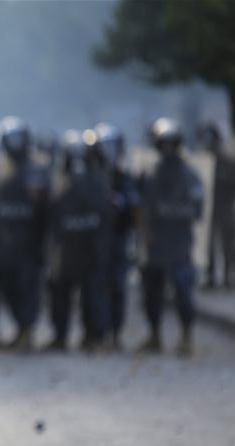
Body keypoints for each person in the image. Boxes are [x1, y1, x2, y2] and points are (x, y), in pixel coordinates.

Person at [138, 118, 203, 356]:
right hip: (156, 244)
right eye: (163, 144)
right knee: (152, 294)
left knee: (183, 292)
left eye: (171, 144)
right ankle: (154, 335)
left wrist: (173, 211)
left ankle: (186, 336)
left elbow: (198, 209)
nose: (167, 149)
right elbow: (143, 209)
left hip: (179, 244)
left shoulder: (189, 175)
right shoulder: (150, 175)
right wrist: (145, 234)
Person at [46, 130, 112, 351]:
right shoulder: (59, 183)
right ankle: (62, 336)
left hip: (90, 248)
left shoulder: (99, 182)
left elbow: (105, 216)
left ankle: (93, 336)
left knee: (92, 296)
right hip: (67, 248)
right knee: (61, 295)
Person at [0, 117, 49, 351]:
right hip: (6, 244)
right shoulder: (1, 172)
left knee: (27, 288)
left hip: (28, 243)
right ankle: (20, 328)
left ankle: (27, 331)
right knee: (10, 288)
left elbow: (44, 209)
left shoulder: (36, 171)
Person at [95, 122, 138, 349]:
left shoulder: (124, 178)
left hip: (119, 241)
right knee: (97, 288)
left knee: (117, 288)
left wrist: (121, 204)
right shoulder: (91, 178)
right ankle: (97, 333)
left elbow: (134, 208)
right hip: (95, 244)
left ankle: (115, 333)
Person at [199, 122, 235, 288]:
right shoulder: (203, 161)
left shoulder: (228, 161)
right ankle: (211, 277)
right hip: (209, 209)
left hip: (225, 207)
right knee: (208, 245)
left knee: (227, 244)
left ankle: (227, 277)